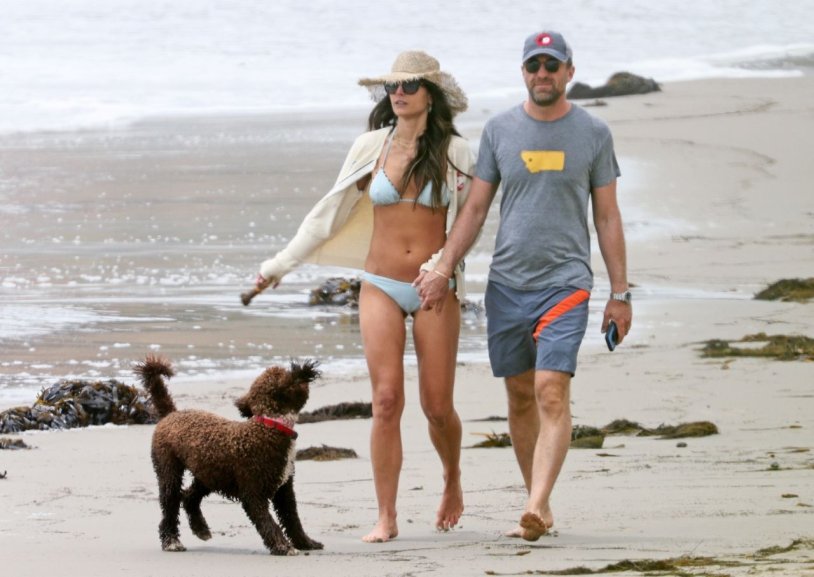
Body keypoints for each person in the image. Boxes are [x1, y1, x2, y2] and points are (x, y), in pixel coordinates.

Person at [415, 31, 632, 541]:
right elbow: (474, 208)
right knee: (519, 397)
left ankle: (533, 505)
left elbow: (607, 216)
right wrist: (444, 265)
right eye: (534, 66)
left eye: (551, 66)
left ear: (569, 73)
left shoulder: (593, 134)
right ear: (523, 73)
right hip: (508, 285)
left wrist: (619, 294)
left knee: (550, 390)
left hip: (566, 283)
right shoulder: (500, 131)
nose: (542, 74)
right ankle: (542, 500)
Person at [253, 51, 474, 543]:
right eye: (392, 86)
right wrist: (277, 267)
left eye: (410, 85)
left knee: (437, 407)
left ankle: (452, 478)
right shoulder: (370, 146)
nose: (398, 93)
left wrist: (445, 270)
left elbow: (468, 223)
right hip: (380, 284)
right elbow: (326, 214)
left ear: (430, 94)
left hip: (434, 287)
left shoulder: (457, 153)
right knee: (387, 399)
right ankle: (386, 515)